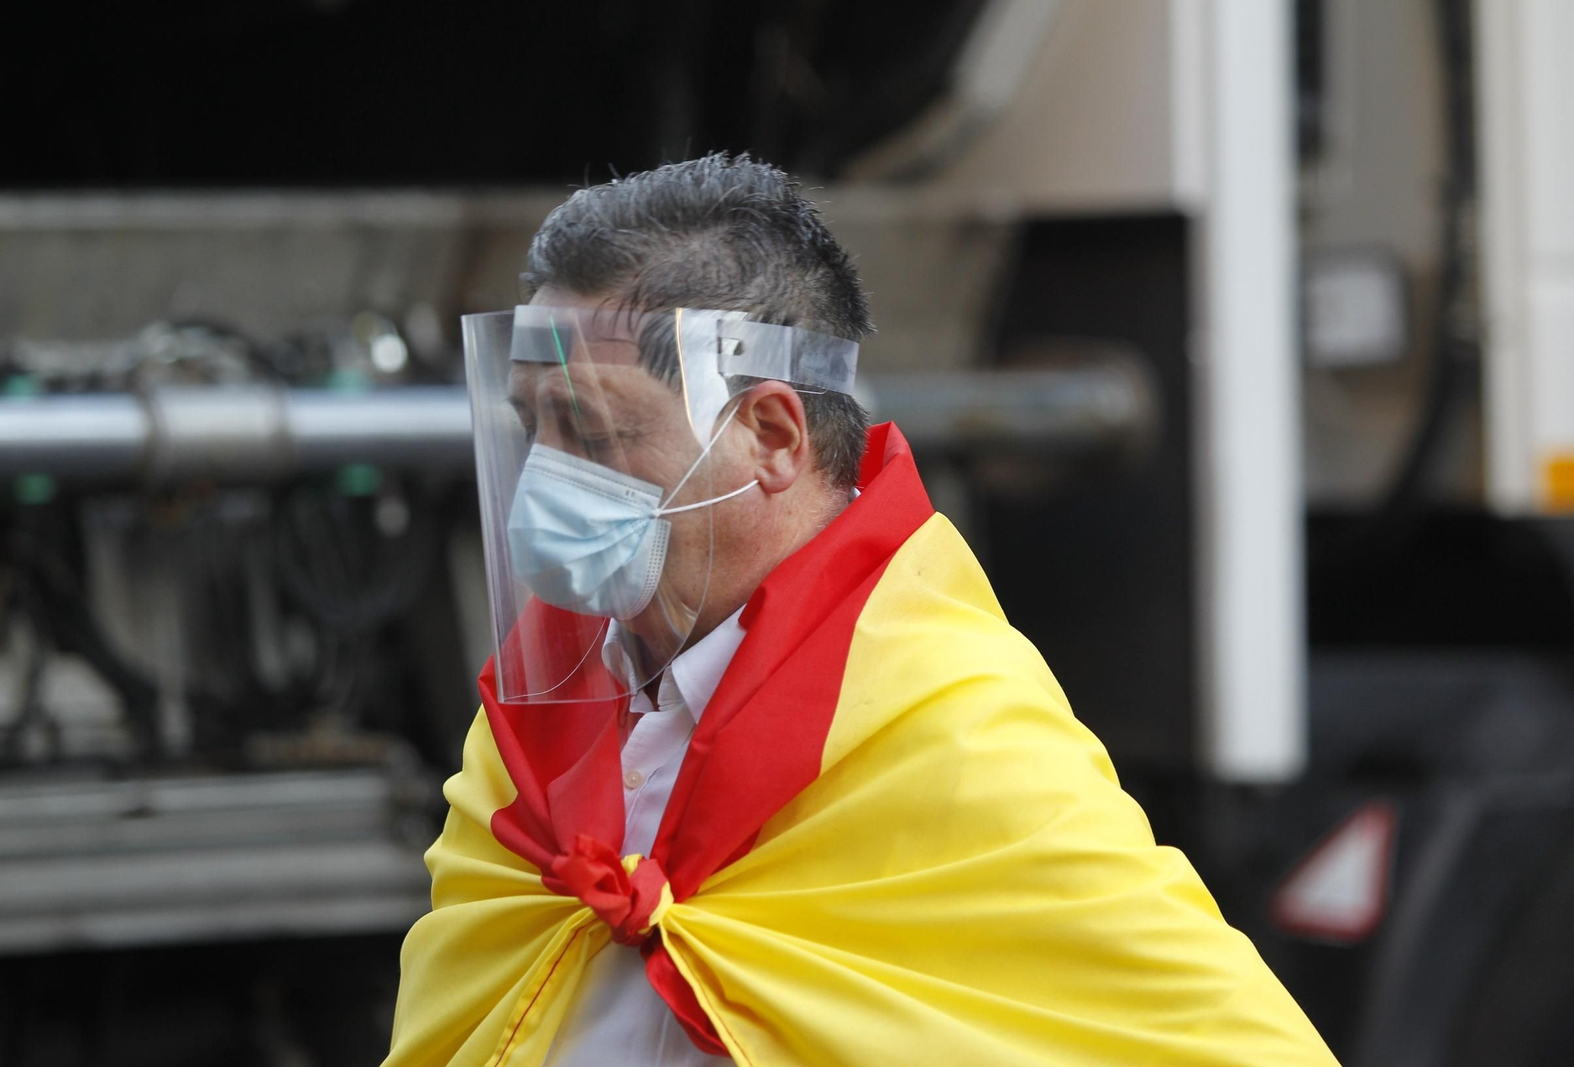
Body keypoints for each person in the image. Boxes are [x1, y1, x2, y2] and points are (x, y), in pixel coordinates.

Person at [384, 153, 1339, 1067]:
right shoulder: (526, 742)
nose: (542, 483)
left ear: (768, 434)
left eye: (587, 429)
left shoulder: (951, 735)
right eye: (531, 429)